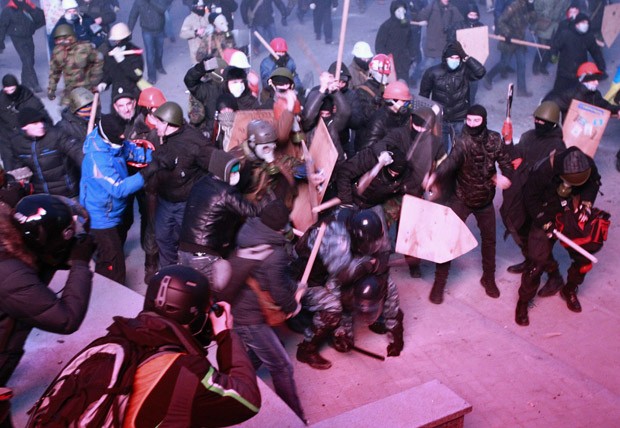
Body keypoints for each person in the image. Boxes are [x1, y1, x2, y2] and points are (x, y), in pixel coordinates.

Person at [37, 264, 261, 426]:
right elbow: (247, 401)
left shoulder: (116, 338)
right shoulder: (185, 369)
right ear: (196, 318)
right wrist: (225, 335)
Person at [0, 194, 95, 427]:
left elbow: (35, 269)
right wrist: (81, 264)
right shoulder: (11, 275)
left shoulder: (11, 246)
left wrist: (61, 256)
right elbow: (66, 319)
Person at [296, 209, 404, 369]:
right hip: (307, 279)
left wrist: (396, 329)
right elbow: (343, 280)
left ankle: (378, 321)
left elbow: (383, 263)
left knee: (381, 282)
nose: (373, 248)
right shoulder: (336, 237)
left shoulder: (372, 219)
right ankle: (306, 349)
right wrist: (342, 331)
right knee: (333, 308)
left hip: (340, 269)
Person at [426, 105, 513, 304]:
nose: (472, 124)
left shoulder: (494, 139)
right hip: (462, 198)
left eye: (476, 120)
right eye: (469, 120)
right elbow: (451, 161)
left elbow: (506, 162)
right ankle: (439, 284)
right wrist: (436, 175)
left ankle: (488, 278)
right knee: (448, 241)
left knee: (490, 241)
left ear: (484, 120)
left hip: (485, 200)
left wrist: (505, 176)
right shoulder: (463, 142)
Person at [230, 199, 307, 422]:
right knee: (281, 365)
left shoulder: (248, 231)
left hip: (239, 302)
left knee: (266, 349)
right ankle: (294, 418)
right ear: (280, 227)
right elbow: (278, 291)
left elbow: (269, 279)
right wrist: (294, 306)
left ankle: (233, 379)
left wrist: (296, 287)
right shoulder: (275, 253)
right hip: (250, 314)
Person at [516, 147, 601, 326]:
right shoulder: (543, 170)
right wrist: (545, 223)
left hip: (571, 210)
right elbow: (530, 198)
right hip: (546, 213)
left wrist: (586, 204)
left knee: (584, 259)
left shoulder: (587, 165)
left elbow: (593, 182)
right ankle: (523, 302)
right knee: (536, 262)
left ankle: (569, 289)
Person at [80, 114, 167, 285]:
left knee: (116, 242)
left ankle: (104, 259)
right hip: (101, 218)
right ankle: (111, 292)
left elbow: (130, 150)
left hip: (114, 209)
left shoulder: (113, 142)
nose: (122, 139)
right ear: (108, 137)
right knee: (114, 266)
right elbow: (118, 188)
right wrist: (146, 173)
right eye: (119, 137)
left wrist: (154, 157)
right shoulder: (97, 160)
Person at [501, 101, 567, 296]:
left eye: (543, 121)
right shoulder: (528, 136)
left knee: (539, 245)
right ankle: (529, 259)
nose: (538, 122)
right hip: (523, 195)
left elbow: (545, 175)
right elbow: (515, 157)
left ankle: (555, 278)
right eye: (536, 119)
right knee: (520, 230)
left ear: (553, 124)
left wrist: (523, 166)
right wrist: (508, 141)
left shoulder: (558, 147)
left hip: (542, 201)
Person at [178, 150, 260, 288]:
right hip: (204, 255)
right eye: (233, 172)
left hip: (183, 249)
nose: (236, 175)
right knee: (211, 294)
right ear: (223, 171)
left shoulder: (202, 182)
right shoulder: (226, 192)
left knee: (188, 291)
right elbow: (252, 211)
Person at [149, 101, 216, 267]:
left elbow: (215, 164)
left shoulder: (195, 141)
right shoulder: (156, 137)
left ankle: (187, 277)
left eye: (157, 122)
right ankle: (168, 272)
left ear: (166, 123)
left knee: (188, 244)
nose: (154, 124)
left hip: (186, 203)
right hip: (164, 200)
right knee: (163, 238)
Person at [420, 41, 485, 153]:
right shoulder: (432, 72)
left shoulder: (464, 71)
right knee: (441, 152)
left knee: (460, 152)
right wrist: (424, 117)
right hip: (440, 119)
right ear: (445, 58)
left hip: (459, 118)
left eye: (457, 58)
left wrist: (465, 56)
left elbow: (480, 72)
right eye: (451, 57)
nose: (454, 60)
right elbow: (423, 96)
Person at [11, 108, 83, 198]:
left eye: (41, 121)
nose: (41, 125)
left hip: (69, 194)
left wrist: (93, 169)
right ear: (24, 127)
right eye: (35, 123)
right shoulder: (17, 143)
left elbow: (77, 151)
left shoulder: (56, 135)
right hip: (42, 197)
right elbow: (17, 166)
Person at [482, 0, 536, 97]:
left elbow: (532, 20)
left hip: (520, 40)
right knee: (504, 63)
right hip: (509, 40)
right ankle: (488, 77)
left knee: (522, 64)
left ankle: (521, 90)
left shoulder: (529, 7)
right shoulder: (515, 6)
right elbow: (501, 21)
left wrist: (531, 7)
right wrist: (507, 34)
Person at [0, 74, 50, 170]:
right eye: (7, 90)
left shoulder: (28, 98)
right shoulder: (1, 101)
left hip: (29, 140)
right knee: (11, 171)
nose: (11, 93)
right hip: (8, 140)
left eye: (13, 89)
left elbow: (44, 117)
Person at [47, 24, 104, 106]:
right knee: (65, 110)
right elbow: (54, 72)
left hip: (87, 87)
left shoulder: (84, 48)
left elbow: (98, 60)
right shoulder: (58, 52)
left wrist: (95, 78)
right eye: (59, 39)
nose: (62, 42)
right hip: (70, 89)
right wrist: (51, 89)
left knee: (89, 110)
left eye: (65, 38)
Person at [550, 12, 606, 92]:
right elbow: (555, 46)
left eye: (587, 23)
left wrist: (601, 66)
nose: (585, 25)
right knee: (559, 92)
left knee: (577, 93)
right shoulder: (566, 34)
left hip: (580, 71)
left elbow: (596, 52)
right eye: (583, 22)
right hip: (564, 70)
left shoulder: (588, 36)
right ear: (577, 24)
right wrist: (553, 56)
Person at [545, 62, 620, 119]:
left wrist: (617, 110)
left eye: (597, 79)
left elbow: (605, 105)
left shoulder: (594, 94)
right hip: (563, 123)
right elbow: (552, 104)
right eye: (593, 80)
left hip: (578, 123)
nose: (597, 83)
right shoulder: (573, 94)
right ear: (585, 80)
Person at [0, 0, 46, 93]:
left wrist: (31, 11)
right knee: (26, 59)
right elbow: (2, 26)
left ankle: (25, 83)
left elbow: (41, 17)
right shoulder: (8, 9)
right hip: (17, 37)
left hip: (28, 35)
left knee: (30, 59)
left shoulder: (28, 4)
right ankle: (34, 83)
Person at [97, 22, 147, 101]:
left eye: (118, 40)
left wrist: (122, 60)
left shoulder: (134, 53)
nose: (117, 42)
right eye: (115, 40)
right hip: (117, 94)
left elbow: (137, 75)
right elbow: (108, 72)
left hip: (133, 93)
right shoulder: (111, 53)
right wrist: (104, 82)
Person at [128, 0, 173, 84]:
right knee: (150, 54)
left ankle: (159, 66)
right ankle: (151, 76)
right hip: (147, 31)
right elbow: (133, 16)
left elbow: (163, 9)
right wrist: (129, 30)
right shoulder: (138, 2)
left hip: (159, 30)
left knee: (159, 51)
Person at [353, 53, 392, 152]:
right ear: (373, 71)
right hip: (366, 138)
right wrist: (373, 104)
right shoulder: (362, 91)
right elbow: (363, 118)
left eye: (386, 74)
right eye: (382, 74)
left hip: (383, 136)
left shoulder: (388, 88)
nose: (384, 77)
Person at [414, 0, 463, 76]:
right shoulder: (432, 6)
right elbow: (421, 16)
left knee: (438, 64)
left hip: (444, 42)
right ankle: (415, 77)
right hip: (432, 41)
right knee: (426, 63)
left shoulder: (453, 9)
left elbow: (460, 23)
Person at [375, 1, 413, 84]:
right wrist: (386, 59)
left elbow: (411, 42)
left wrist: (410, 57)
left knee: (402, 86)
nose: (401, 13)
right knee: (389, 86)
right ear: (393, 11)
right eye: (398, 11)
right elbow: (379, 45)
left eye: (403, 10)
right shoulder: (386, 26)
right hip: (390, 63)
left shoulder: (407, 25)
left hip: (403, 63)